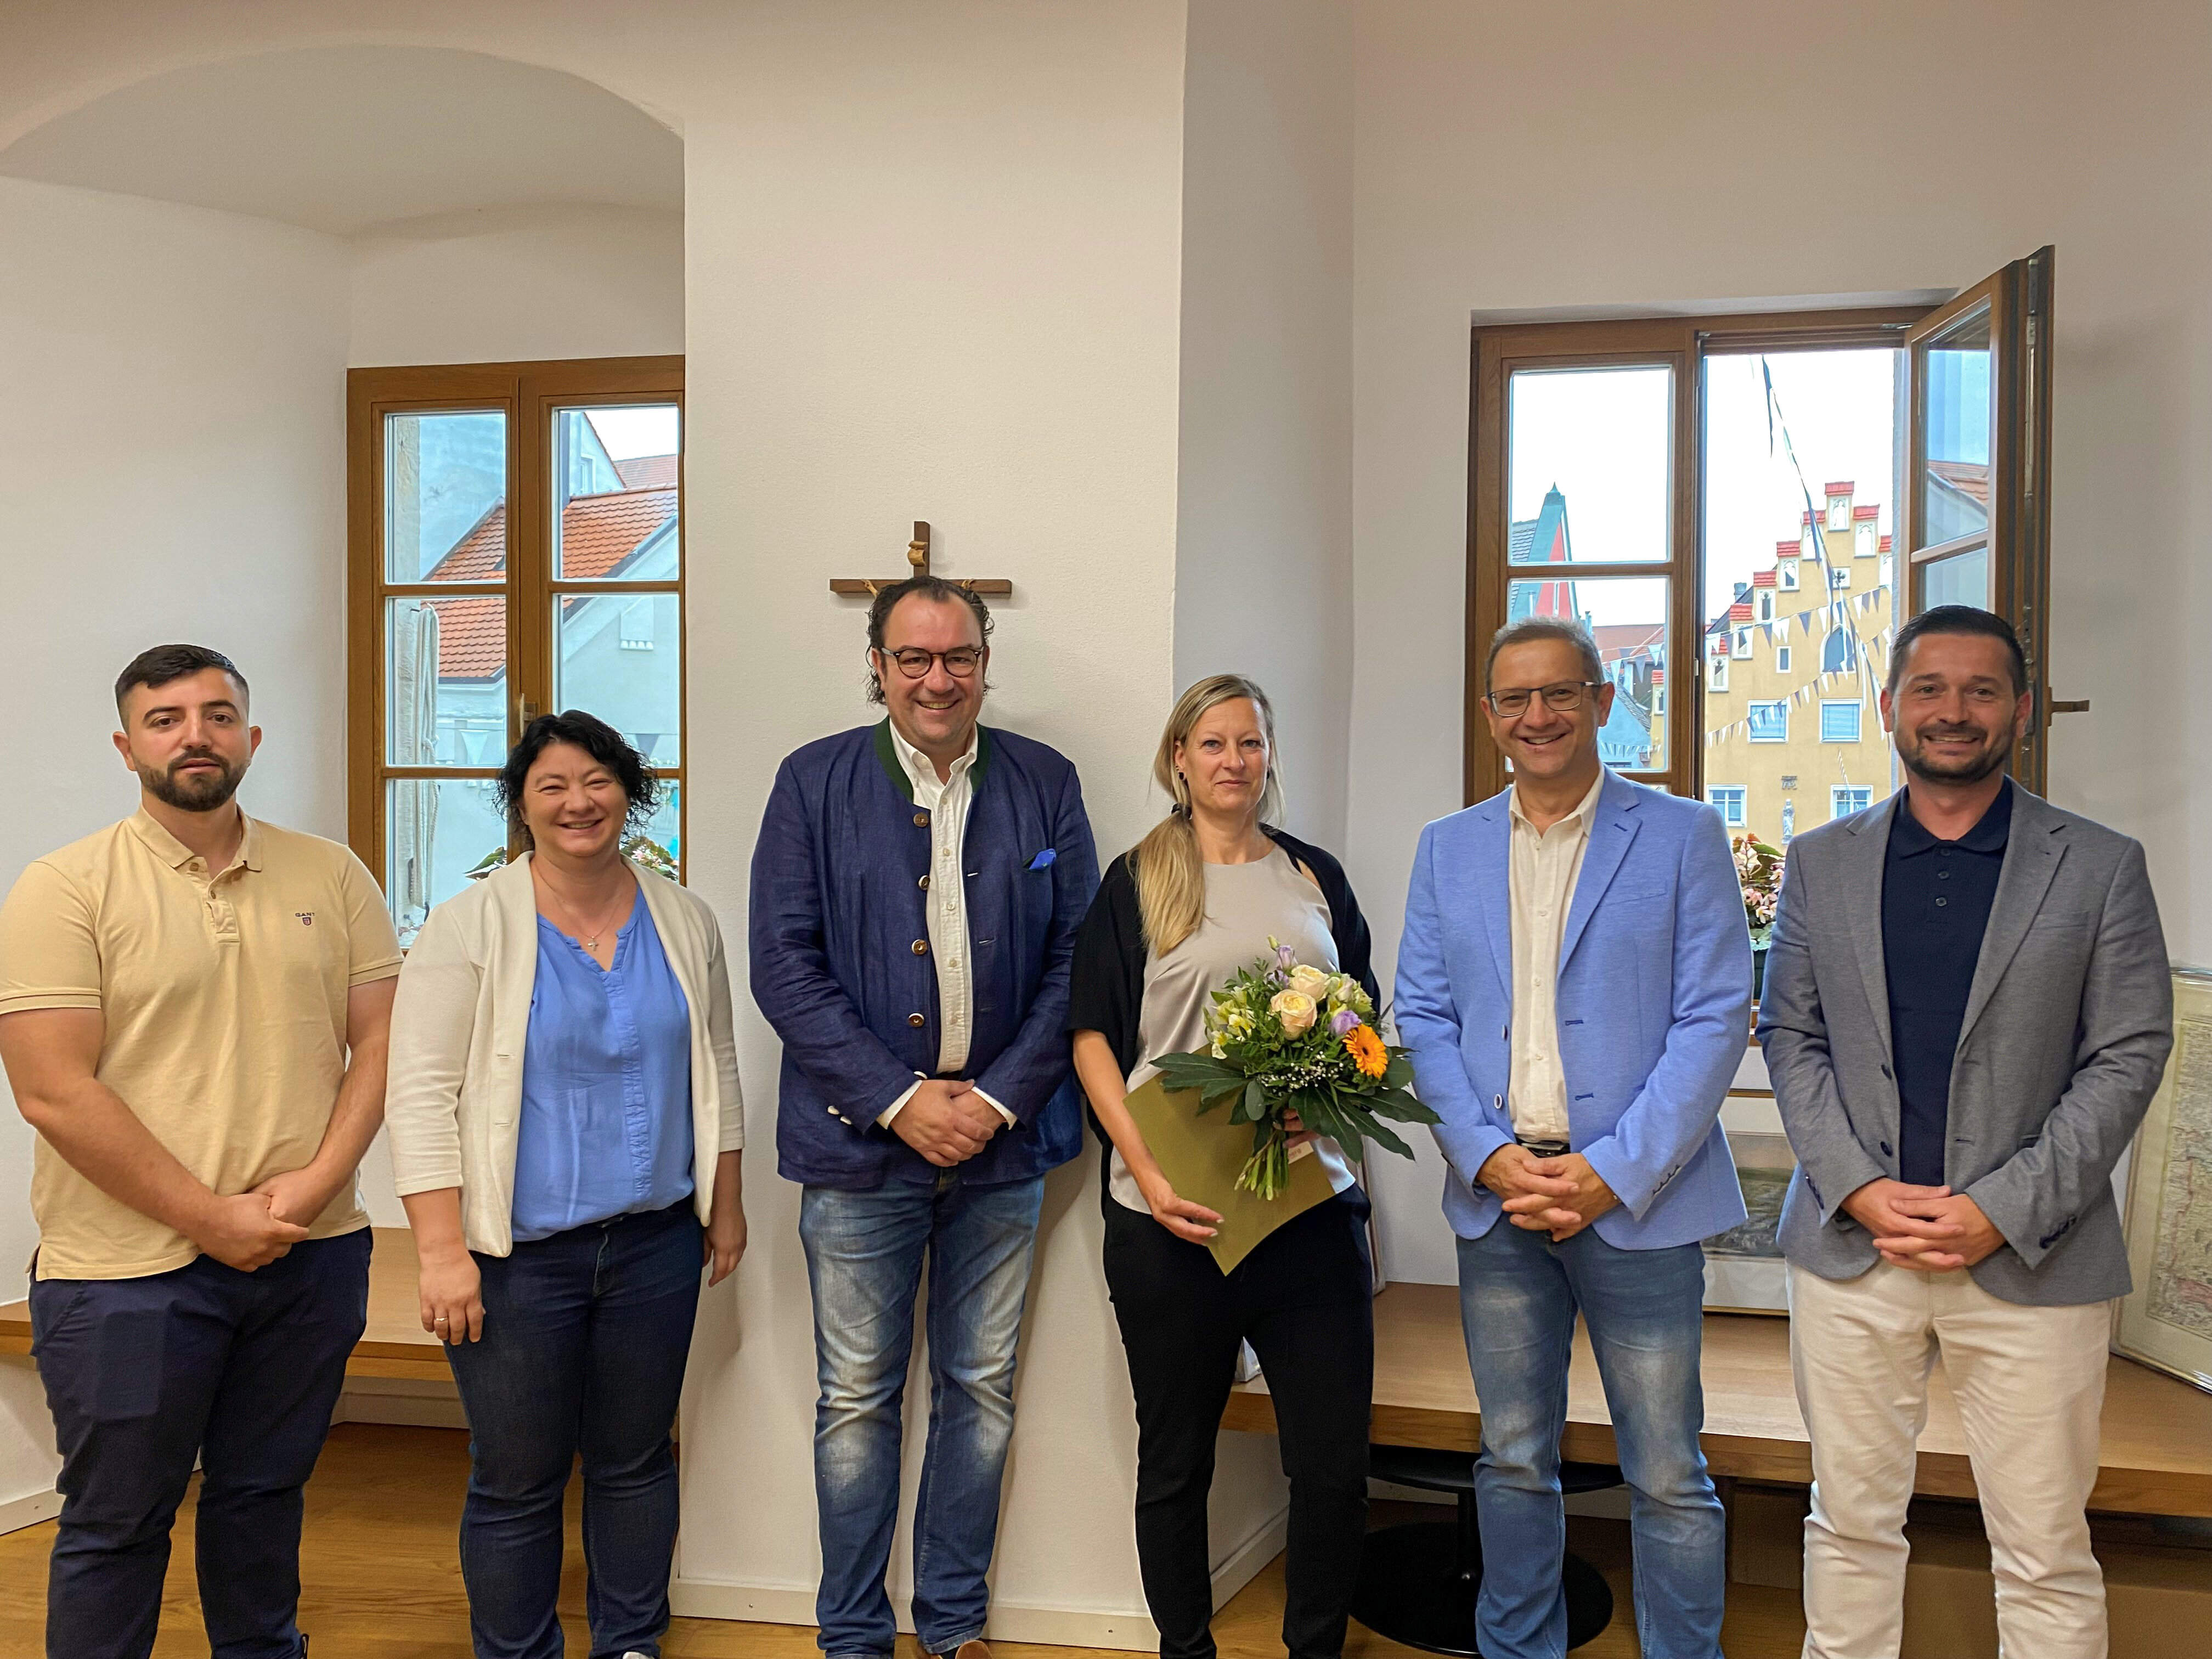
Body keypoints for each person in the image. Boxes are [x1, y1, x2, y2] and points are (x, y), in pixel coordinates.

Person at [1758, 606, 2171, 1659]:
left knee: (2044, 1550)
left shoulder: (2100, 865)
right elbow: (1791, 1035)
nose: (1954, 711)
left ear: (2021, 712)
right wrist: (1855, 1186)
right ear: (1889, 706)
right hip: (1856, 1250)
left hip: (2036, 1256)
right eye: (1930, 689)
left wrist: (2002, 1207)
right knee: (1849, 1527)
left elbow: (2129, 1052)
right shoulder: (1821, 861)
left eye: (1982, 690)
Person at [0, 644, 401, 1659]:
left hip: (307, 1256)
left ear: (250, 738)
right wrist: (210, 1218)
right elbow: (51, 1090)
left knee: (264, 1499)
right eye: (167, 719)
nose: (196, 736)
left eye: (218, 716)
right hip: (125, 1275)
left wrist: (312, 1191)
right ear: (126, 746)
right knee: (116, 1524)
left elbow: (384, 1043)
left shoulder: (331, 873)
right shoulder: (64, 887)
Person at [749, 574, 1098, 1659]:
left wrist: (993, 1101)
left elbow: (1080, 960)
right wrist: (900, 1102)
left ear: (986, 663)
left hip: (1005, 1148)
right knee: (855, 1401)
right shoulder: (811, 782)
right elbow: (783, 964)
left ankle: (953, 1627)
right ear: (878, 665)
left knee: (980, 1393)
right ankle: (852, 1636)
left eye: (958, 658)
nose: (937, 679)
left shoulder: (1046, 782)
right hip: (857, 1148)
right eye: (914, 659)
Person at [1395, 616, 1750, 1659]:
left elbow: (1714, 1018)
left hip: (1639, 1201)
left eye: (1559, 693)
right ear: (1490, 716)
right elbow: (1422, 1016)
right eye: (1515, 698)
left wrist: (1613, 1172)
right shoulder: (1447, 846)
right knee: (1511, 1456)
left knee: (1668, 1470)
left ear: (1602, 700)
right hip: (1500, 1199)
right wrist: (1483, 1154)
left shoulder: (1683, 834)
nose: (1537, 715)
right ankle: (1519, 1648)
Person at [385, 710, 746, 1659]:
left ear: (629, 793)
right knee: (518, 1478)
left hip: (656, 1245)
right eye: (551, 786)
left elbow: (716, 1064)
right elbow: (419, 1096)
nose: (577, 802)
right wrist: (441, 1254)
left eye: (597, 781)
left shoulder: (683, 918)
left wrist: (728, 1203)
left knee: (636, 1461)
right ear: (522, 806)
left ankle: (631, 1643)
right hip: (516, 1263)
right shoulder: (470, 926)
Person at [1069, 674, 1376, 1659]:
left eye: (1250, 742)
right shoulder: (1139, 879)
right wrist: (1149, 1177)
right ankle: (1186, 1652)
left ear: (1269, 754)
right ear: (1179, 760)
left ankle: (1314, 1649)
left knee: (1332, 1468)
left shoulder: (1315, 875)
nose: (1234, 760)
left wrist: (1322, 1097)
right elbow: (1093, 1038)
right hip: (1172, 1222)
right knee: (1176, 1466)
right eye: (1212, 743)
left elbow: (1364, 1025)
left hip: (1309, 1216)